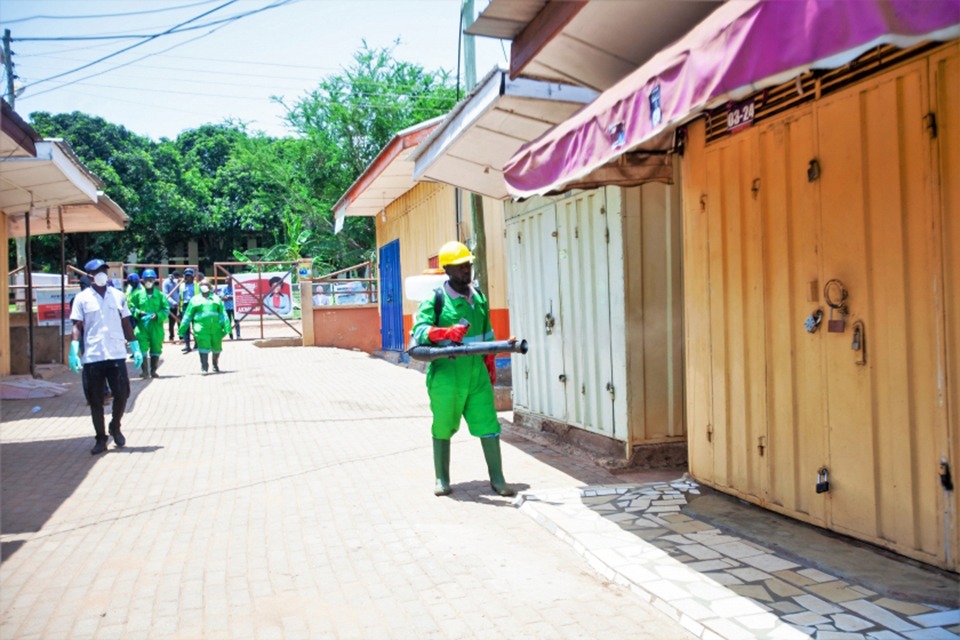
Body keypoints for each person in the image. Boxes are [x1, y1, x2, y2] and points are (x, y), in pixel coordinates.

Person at [411, 241, 513, 497]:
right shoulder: (436, 299)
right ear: (447, 269)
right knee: (443, 424)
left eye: (468, 264)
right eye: (460, 266)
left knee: (488, 423)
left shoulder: (478, 298)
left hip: (477, 374)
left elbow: (487, 335)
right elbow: (419, 330)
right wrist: (445, 332)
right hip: (447, 375)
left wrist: (490, 364)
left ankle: (498, 479)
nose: (466, 269)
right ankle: (442, 478)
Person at [69, 259, 143, 455]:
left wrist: (135, 346)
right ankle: (100, 438)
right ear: (89, 275)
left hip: (116, 353)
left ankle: (115, 426)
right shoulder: (82, 299)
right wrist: (74, 349)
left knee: (122, 393)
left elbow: (126, 323)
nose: (102, 274)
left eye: (104, 270)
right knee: (96, 400)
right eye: (98, 271)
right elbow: (77, 325)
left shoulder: (118, 296)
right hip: (93, 356)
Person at [179, 279, 229, 374]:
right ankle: (204, 367)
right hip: (201, 328)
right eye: (201, 285)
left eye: (205, 284)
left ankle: (215, 364)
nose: (203, 286)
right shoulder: (195, 300)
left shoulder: (216, 299)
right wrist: (182, 330)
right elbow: (187, 315)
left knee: (217, 347)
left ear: (210, 287)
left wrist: (226, 328)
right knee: (203, 347)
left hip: (216, 328)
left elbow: (223, 314)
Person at [129, 269, 170, 378]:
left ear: (154, 280)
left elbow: (166, 310)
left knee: (156, 347)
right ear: (142, 280)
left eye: (151, 279)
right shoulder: (138, 295)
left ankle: (153, 370)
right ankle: (144, 371)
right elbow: (131, 308)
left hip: (156, 326)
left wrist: (157, 315)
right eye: (146, 279)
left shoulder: (160, 295)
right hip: (142, 326)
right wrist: (139, 313)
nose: (148, 281)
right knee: (142, 348)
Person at [178, 268, 201, 352]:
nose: (188, 277)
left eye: (189, 276)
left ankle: (197, 343)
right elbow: (180, 298)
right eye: (186, 276)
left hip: (195, 306)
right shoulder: (182, 286)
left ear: (193, 276)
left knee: (196, 326)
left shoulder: (197, 286)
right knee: (186, 326)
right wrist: (178, 310)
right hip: (185, 307)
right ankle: (187, 345)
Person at [164, 270, 181, 342]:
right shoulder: (166, 282)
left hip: (179, 305)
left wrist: (179, 302)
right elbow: (166, 294)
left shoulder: (177, 282)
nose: (177, 278)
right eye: (176, 277)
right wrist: (173, 302)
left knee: (180, 321)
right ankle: (171, 337)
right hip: (171, 305)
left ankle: (181, 337)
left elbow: (179, 292)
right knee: (171, 322)